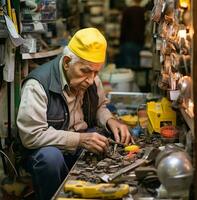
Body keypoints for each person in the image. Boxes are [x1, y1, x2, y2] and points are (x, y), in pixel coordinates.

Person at [17, 27, 133, 200]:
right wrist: (80, 139)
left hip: (80, 144)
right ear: (66, 62)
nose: (91, 79)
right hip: (51, 150)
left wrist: (110, 120)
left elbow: (100, 107)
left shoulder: (91, 77)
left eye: (96, 72)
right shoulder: (37, 85)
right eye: (85, 71)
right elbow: (31, 135)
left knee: (106, 143)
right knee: (50, 158)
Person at [116, 0, 146, 68]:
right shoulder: (142, 11)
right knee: (137, 67)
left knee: (127, 67)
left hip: (127, 42)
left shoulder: (126, 11)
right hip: (138, 43)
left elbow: (123, 28)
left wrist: (120, 43)